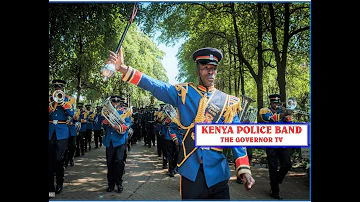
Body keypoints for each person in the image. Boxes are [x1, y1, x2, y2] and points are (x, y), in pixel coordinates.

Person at [106, 46, 255, 199]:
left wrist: (244, 169)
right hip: (191, 171)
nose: (210, 71)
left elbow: (237, 138)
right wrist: (124, 69)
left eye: (213, 68)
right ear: (197, 71)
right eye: (205, 67)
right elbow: (156, 86)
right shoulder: (184, 93)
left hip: (218, 173)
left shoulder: (228, 102)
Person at [259, 94, 293, 199]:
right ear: (270, 103)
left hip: (282, 144)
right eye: (274, 103)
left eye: (278, 103)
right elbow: (269, 119)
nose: (276, 105)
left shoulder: (282, 113)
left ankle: (276, 181)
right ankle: (275, 192)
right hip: (271, 144)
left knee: (287, 164)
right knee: (273, 168)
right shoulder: (264, 111)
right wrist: (283, 114)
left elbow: (290, 126)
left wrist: (288, 119)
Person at [48, 79, 74, 194]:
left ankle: (59, 182)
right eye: (55, 88)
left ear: (63, 89)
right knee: (49, 161)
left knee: (59, 160)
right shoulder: (49, 99)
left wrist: (63, 104)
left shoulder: (68, 99)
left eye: (59, 88)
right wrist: (53, 103)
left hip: (62, 133)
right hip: (50, 132)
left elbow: (72, 114)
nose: (57, 90)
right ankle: (50, 189)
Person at [102, 95, 132, 193]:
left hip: (120, 141)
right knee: (110, 164)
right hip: (110, 141)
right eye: (113, 102)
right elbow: (104, 125)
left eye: (116, 102)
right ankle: (110, 184)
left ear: (119, 103)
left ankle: (119, 183)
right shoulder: (107, 112)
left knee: (119, 163)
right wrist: (107, 121)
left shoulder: (124, 111)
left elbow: (128, 124)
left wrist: (118, 128)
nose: (114, 104)